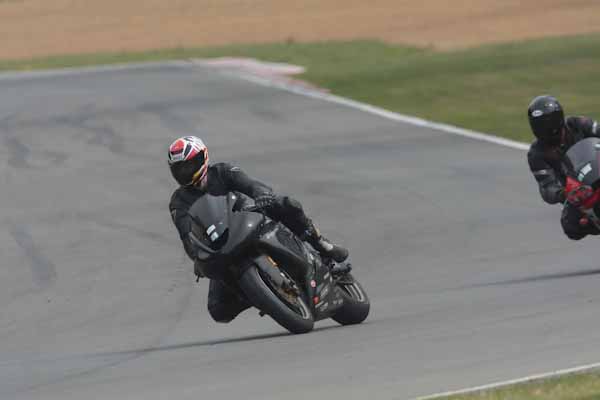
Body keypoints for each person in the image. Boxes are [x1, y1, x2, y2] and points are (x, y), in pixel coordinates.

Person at [167, 135, 348, 322]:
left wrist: (260, 193)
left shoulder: (222, 171)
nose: (184, 172)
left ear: (202, 157)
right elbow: (186, 234)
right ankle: (259, 294)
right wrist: (197, 257)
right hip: (220, 245)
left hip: (247, 217)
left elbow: (248, 183)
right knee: (217, 310)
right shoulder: (178, 202)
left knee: (287, 205)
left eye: (188, 165)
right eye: (179, 169)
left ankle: (321, 244)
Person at [527, 95, 600, 240]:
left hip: (598, 171)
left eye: (546, 123)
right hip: (578, 192)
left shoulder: (577, 123)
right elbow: (546, 186)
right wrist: (564, 194)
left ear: (558, 119)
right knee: (570, 225)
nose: (542, 128)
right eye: (538, 125)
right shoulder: (536, 153)